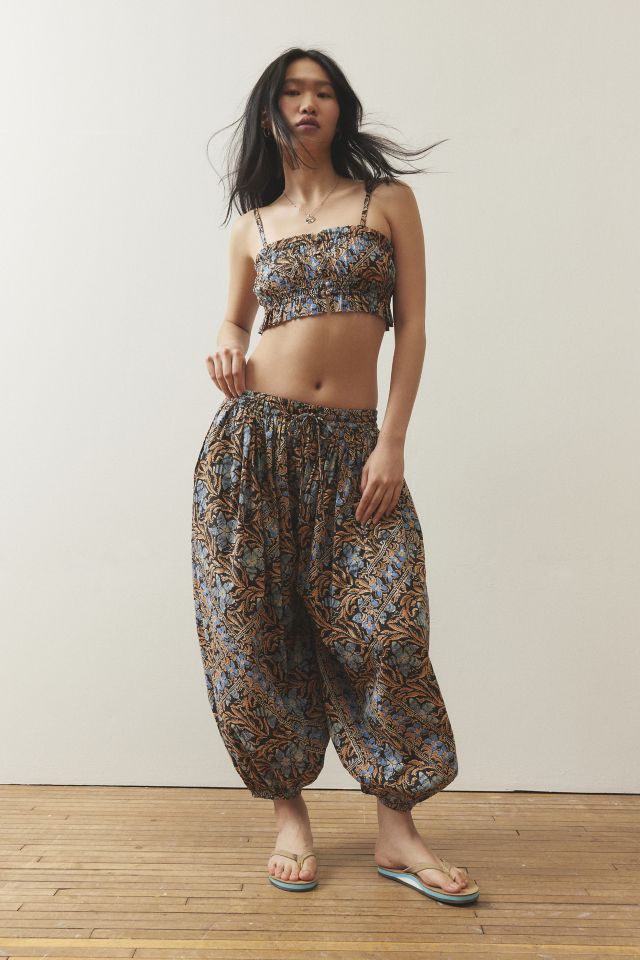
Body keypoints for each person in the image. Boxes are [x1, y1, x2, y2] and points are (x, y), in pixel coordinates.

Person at [191, 47, 479, 905]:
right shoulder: (253, 225)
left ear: (341, 108)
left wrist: (392, 441)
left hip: (355, 449)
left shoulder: (385, 202)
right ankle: (290, 816)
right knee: (254, 634)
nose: (308, 103)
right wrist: (226, 343)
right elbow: (234, 319)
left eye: (322, 91)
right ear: (271, 112)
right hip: (253, 450)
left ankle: (397, 828)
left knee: (387, 631)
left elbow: (412, 327)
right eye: (292, 91)